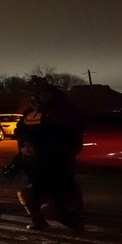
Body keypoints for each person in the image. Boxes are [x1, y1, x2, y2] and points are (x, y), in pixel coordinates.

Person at [8, 78, 84, 232]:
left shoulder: (64, 111)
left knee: (56, 198)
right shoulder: (33, 113)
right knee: (29, 194)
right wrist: (22, 150)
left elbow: (58, 133)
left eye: (43, 96)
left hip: (57, 160)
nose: (38, 99)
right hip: (37, 160)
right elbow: (23, 131)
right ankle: (39, 221)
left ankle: (74, 221)